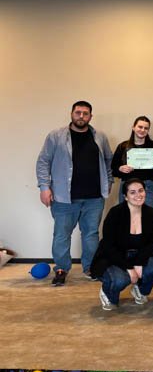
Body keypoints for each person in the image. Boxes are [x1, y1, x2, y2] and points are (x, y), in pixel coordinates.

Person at [36, 100, 113, 285]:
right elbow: (43, 161)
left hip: (94, 198)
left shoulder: (100, 137)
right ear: (71, 114)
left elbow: (108, 160)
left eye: (85, 113)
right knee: (62, 235)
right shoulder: (56, 136)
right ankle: (61, 269)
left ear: (90, 116)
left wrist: (108, 182)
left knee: (91, 234)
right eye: (78, 112)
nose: (81, 116)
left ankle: (90, 268)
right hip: (64, 198)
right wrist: (44, 187)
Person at [89, 179, 153, 310]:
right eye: (133, 192)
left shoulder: (151, 213)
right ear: (125, 196)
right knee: (121, 280)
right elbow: (108, 246)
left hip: (137, 255)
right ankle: (108, 294)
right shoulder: (115, 213)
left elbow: (150, 243)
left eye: (141, 191)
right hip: (113, 257)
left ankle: (139, 289)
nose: (138, 195)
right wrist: (129, 268)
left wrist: (139, 263)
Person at [111, 116, 153, 260]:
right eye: (140, 127)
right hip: (128, 186)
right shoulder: (123, 146)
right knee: (126, 220)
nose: (142, 130)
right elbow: (113, 170)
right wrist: (120, 169)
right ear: (133, 127)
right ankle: (127, 255)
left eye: (146, 128)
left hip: (148, 187)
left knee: (152, 219)